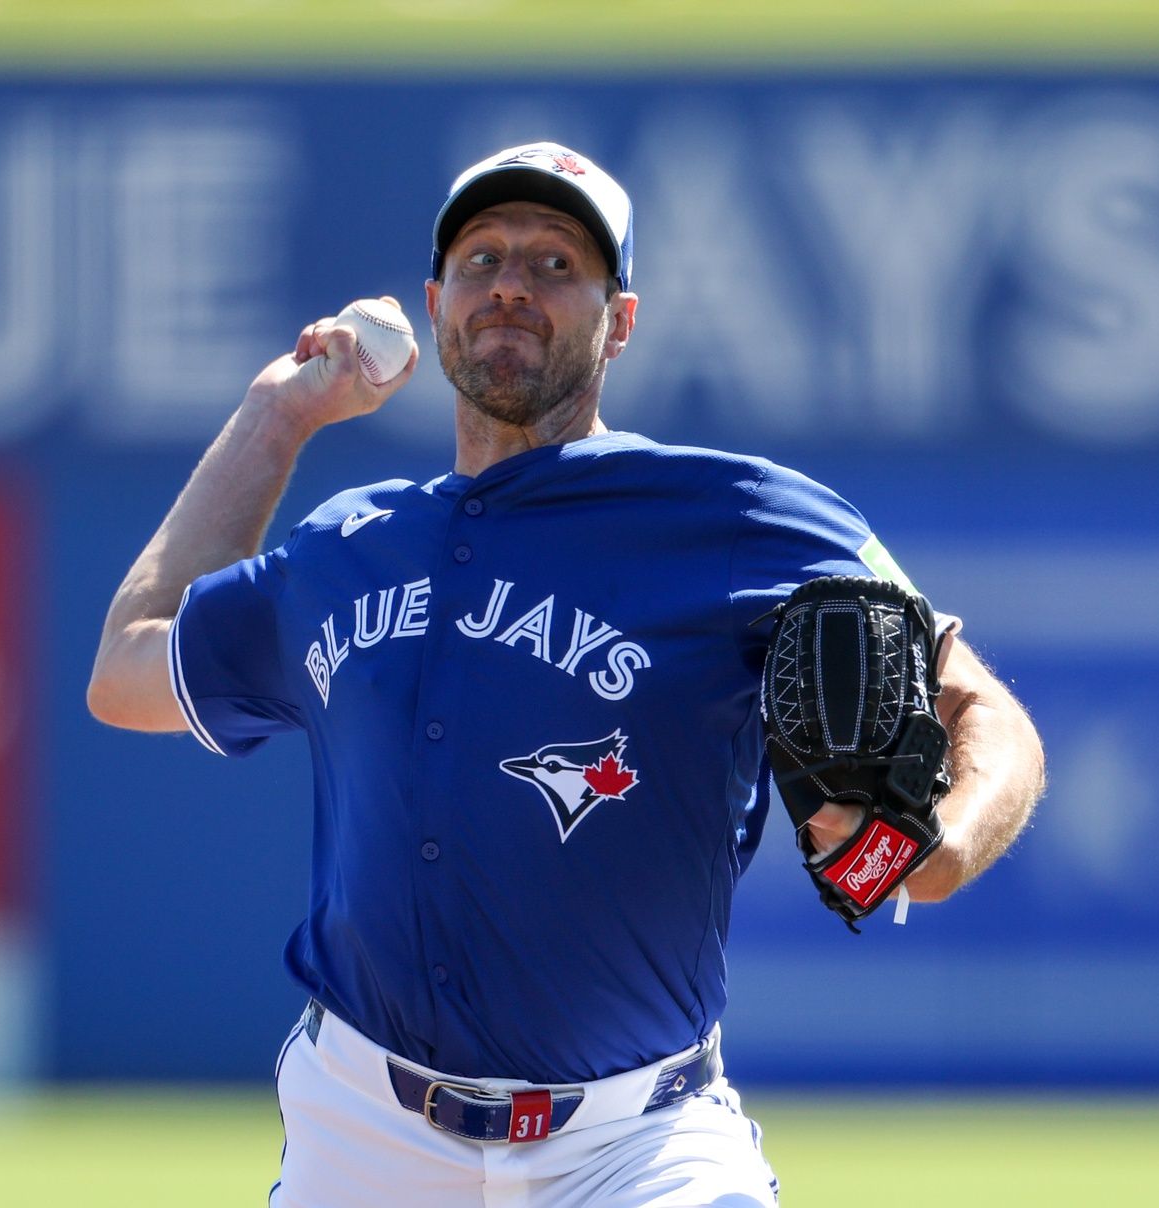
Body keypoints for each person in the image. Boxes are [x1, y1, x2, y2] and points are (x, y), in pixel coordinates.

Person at [87, 142, 1044, 1207]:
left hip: (633, 1145)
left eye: (555, 264)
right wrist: (278, 415)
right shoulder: (343, 546)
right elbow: (128, 668)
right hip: (359, 1135)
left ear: (619, 319)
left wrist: (942, 846)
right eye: (481, 256)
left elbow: (982, 707)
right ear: (435, 301)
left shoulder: (733, 517)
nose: (509, 282)